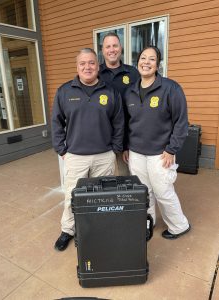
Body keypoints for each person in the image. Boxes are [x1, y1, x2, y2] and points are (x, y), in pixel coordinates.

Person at [52, 48, 124, 251]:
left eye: (91, 63)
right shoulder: (64, 91)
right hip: (75, 156)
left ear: (98, 66)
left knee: (102, 196)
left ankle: (100, 229)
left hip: (104, 156)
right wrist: (62, 150)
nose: (87, 67)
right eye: (83, 63)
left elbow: (119, 122)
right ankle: (68, 230)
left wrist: (115, 149)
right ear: (77, 67)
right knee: (72, 197)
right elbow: (56, 123)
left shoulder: (110, 92)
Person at [123, 46, 191, 239]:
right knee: (144, 192)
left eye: (151, 59)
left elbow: (181, 122)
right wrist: (127, 146)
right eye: (143, 58)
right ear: (138, 63)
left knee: (163, 192)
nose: (146, 62)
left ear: (158, 64)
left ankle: (179, 225)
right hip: (136, 152)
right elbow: (128, 123)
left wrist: (171, 149)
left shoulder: (171, 88)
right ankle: (148, 222)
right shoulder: (130, 92)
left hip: (161, 153)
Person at [99, 32, 140, 175]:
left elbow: (140, 107)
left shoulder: (133, 73)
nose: (112, 50)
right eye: (107, 46)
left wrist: (128, 145)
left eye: (115, 45)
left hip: (126, 141)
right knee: (104, 185)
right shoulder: (95, 74)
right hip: (101, 141)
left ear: (120, 48)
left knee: (126, 182)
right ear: (102, 50)